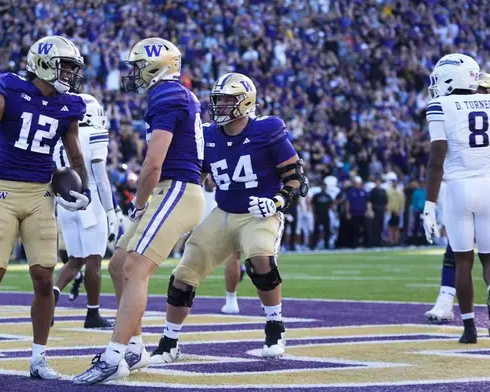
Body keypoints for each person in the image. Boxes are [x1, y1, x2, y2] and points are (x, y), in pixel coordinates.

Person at [0, 36, 89, 379]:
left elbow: (76, 156)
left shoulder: (68, 106)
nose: (70, 73)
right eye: (64, 65)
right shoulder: (7, 92)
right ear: (42, 64)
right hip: (5, 192)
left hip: (42, 194)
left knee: (43, 277)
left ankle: (39, 358)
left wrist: (85, 190)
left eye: (72, 67)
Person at [148, 73, 307, 364]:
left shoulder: (267, 129)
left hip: (259, 213)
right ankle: (169, 342)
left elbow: (296, 179)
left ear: (245, 102)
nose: (220, 105)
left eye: (228, 100)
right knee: (184, 273)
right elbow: (197, 176)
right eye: (218, 99)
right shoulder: (207, 134)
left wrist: (276, 201)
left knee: (260, 257)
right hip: (222, 212)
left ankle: (275, 327)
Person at [73, 37, 205, 385]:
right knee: (117, 265)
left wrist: (139, 203)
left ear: (156, 65)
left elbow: (153, 164)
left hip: (175, 189)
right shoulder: (174, 94)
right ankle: (134, 346)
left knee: (134, 267)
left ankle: (114, 357)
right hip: (171, 189)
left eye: (137, 66)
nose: (132, 73)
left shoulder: (166, 95)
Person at [423, 53, 490, 344]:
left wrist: (429, 204)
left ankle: (469, 329)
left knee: (462, 261)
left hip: (456, 190)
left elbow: (436, 161)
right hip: (488, 188)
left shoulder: (440, 105)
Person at [52, 93, 118, 329]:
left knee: (75, 259)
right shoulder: (95, 134)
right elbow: (100, 179)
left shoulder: (60, 137)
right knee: (93, 260)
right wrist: (111, 211)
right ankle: (93, 313)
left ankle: (52, 295)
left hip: (65, 203)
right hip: (89, 201)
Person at [312, 182, 333, 249]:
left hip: (326, 215)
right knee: (316, 231)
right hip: (318, 215)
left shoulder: (328, 196)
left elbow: (331, 205)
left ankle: (327, 245)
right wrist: (314, 215)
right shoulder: (316, 196)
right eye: (322, 186)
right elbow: (313, 206)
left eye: (325, 187)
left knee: (327, 231)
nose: (323, 188)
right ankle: (314, 245)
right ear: (321, 187)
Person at [367, 177, 388, 247]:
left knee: (380, 227)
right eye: (377, 181)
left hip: (381, 211)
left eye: (379, 181)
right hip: (374, 211)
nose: (378, 183)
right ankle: (373, 243)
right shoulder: (372, 191)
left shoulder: (383, 191)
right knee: (374, 228)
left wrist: (386, 210)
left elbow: (386, 202)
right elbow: (369, 202)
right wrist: (370, 211)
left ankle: (379, 242)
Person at [386, 179, 405, 246]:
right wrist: (388, 210)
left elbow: (402, 202)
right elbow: (387, 201)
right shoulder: (388, 191)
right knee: (390, 228)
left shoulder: (400, 192)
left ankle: (396, 241)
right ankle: (391, 241)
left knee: (397, 228)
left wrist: (400, 211)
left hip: (397, 212)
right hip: (390, 212)